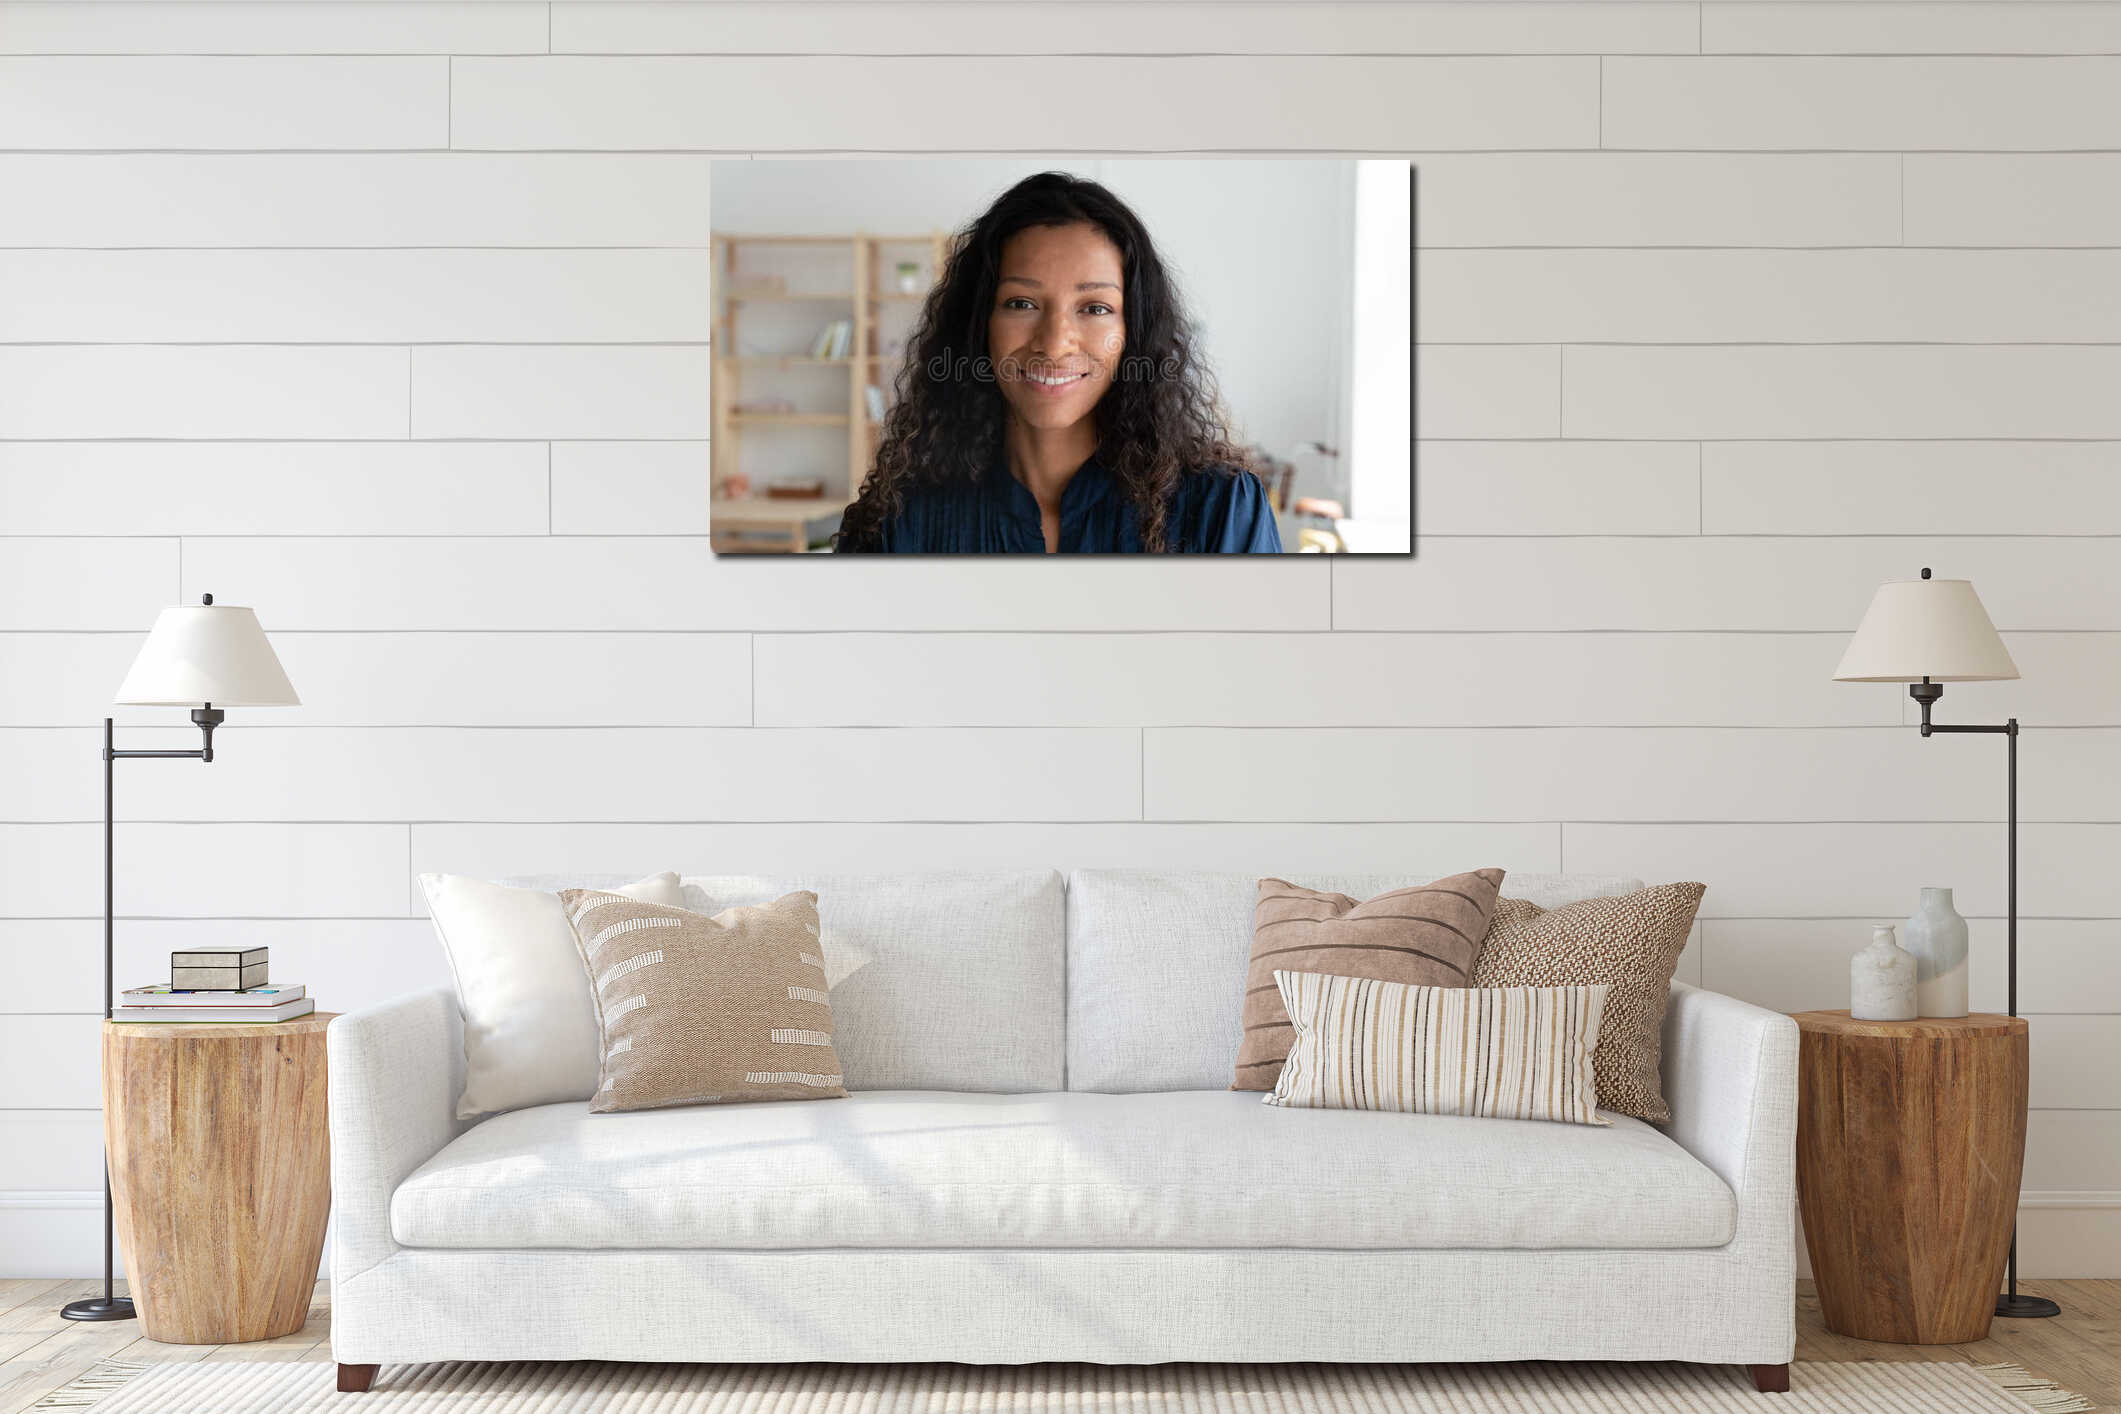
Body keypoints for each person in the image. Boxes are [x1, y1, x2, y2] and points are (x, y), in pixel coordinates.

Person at [833, 172, 1280, 554]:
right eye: (1022, 303)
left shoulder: (1220, 510)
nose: (1054, 344)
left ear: (1134, 332)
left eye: (1095, 308)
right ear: (979, 323)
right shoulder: (900, 523)